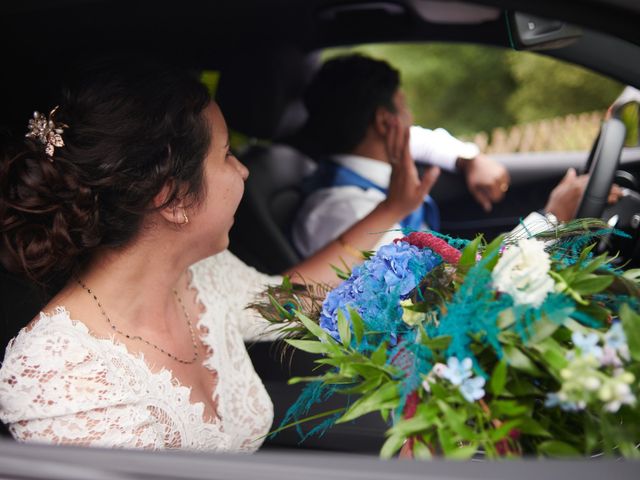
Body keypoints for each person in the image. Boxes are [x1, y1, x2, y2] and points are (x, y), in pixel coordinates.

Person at [0, 55, 446, 451]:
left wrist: (393, 209)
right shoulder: (62, 372)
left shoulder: (203, 275)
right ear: (173, 198)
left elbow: (294, 298)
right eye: (227, 155)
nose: (244, 169)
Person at [291, 54, 619, 258]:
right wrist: (550, 219)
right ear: (383, 122)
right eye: (405, 107)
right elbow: (445, 292)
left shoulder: (371, 162)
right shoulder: (345, 211)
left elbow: (420, 139)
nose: (411, 119)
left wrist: (468, 159)